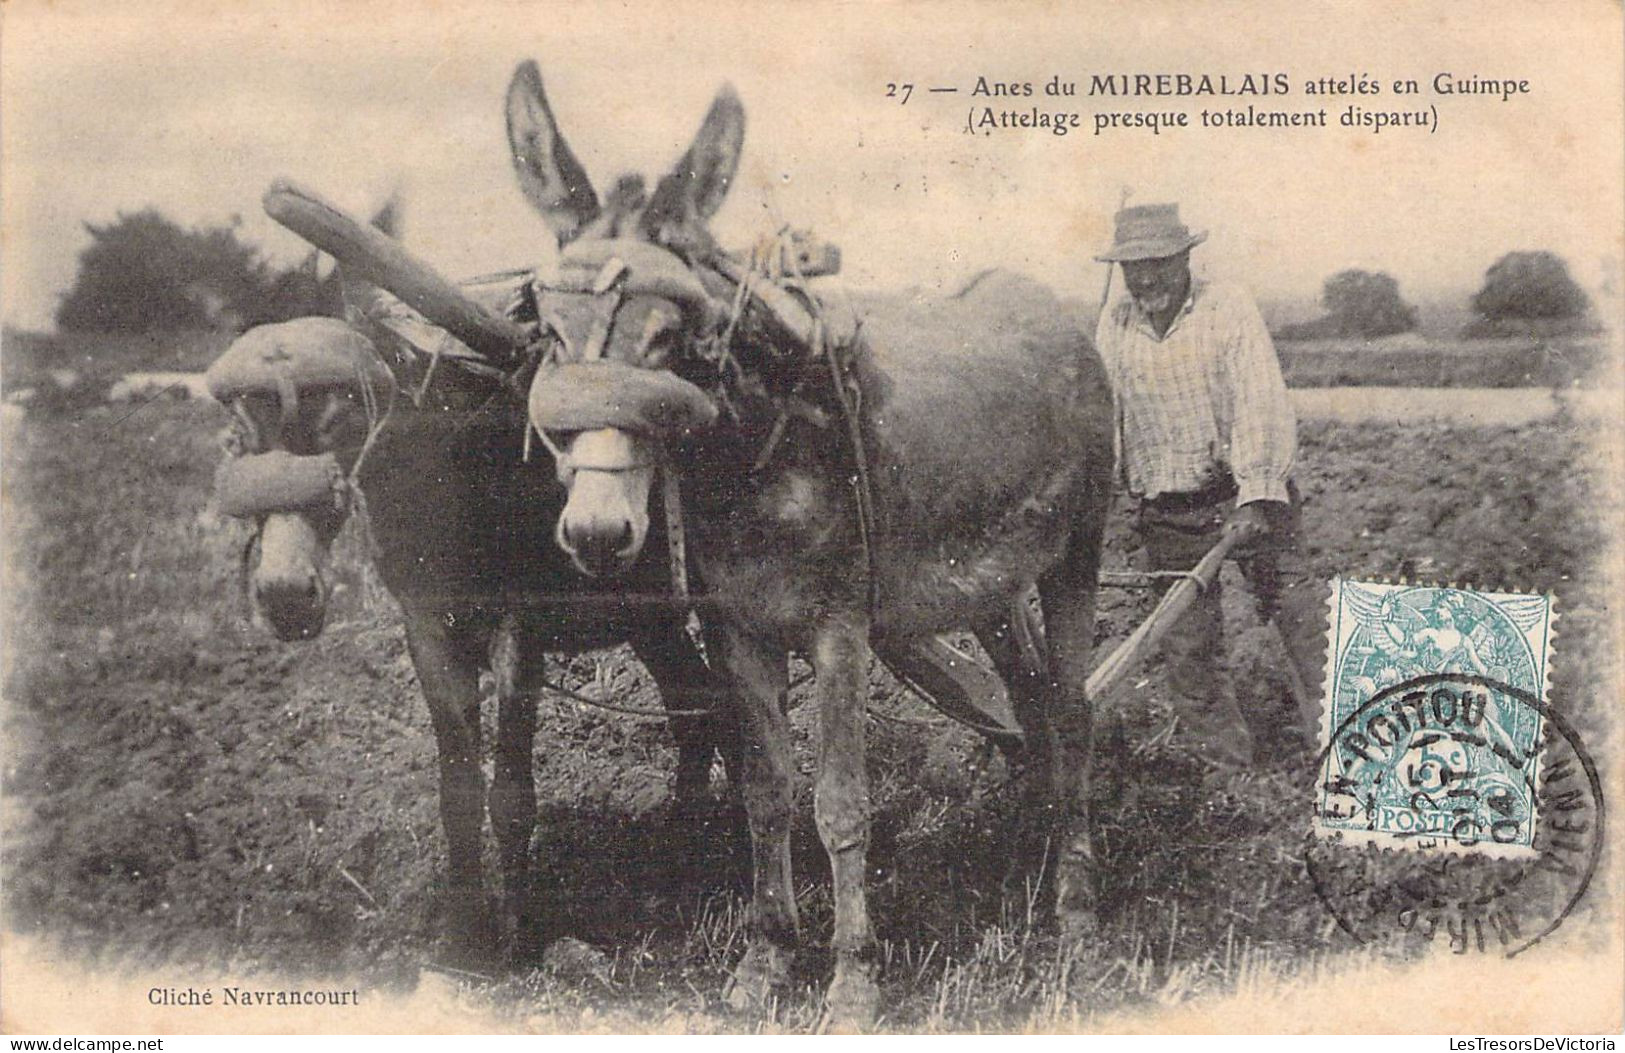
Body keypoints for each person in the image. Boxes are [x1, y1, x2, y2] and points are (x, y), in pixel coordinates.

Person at [1092, 202, 1325, 771]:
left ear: (1185, 258)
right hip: (1166, 512)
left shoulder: (1227, 307)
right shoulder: (1114, 322)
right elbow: (1104, 416)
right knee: (1189, 652)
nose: (1146, 278)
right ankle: (1230, 775)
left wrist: (1257, 492)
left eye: (1158, 264)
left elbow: (1259, 398)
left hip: (1244, 498)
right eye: (1133, 267)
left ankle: (1351, 747)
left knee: (1297, 619)